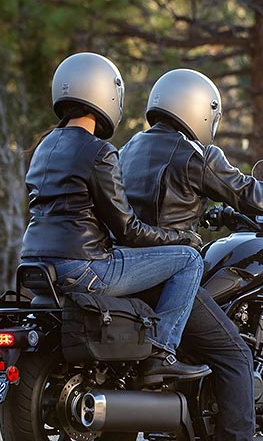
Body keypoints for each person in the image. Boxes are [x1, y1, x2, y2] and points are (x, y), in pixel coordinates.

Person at [118, 68, 263, 441]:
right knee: (235, 354)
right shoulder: (195, 155)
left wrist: (210, 212)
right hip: (170, 276)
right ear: (200, 109)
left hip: (125, 272)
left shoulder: (128, 150)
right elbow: (251, 193)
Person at [21, 52, 211, 385]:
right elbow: (127, 229)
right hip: (83, 267)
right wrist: (182, 238)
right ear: (106, 95)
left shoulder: (44, 147)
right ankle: (162, 354)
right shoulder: (98, 151)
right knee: (189, 260)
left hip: (35, 264)